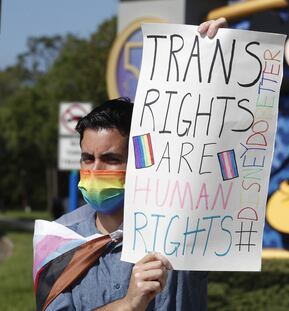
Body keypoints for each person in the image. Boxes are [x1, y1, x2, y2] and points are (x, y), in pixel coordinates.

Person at [41, 19, 227, 311]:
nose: (96, 169)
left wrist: (219, 50)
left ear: (142, 163)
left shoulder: (186, 225)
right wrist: (129, 305)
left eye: (112, 159)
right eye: (88, 158)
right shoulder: (59, 239)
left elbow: (215, 139)